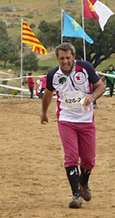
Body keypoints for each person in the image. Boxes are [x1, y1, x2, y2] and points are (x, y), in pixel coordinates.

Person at [41, 42, 105, 209]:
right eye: (62, 58)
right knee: (71, 156)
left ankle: (84, 184)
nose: (65, 61)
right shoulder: (53, 75)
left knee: (89, 161)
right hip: (66, 120)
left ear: (73, 57)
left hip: (86, 120)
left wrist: (92, 96)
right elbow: (48, 95)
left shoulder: (85, 68)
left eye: (68, 57)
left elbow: (101, 87)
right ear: (58, 59)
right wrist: (44, 113)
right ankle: (76, 195)